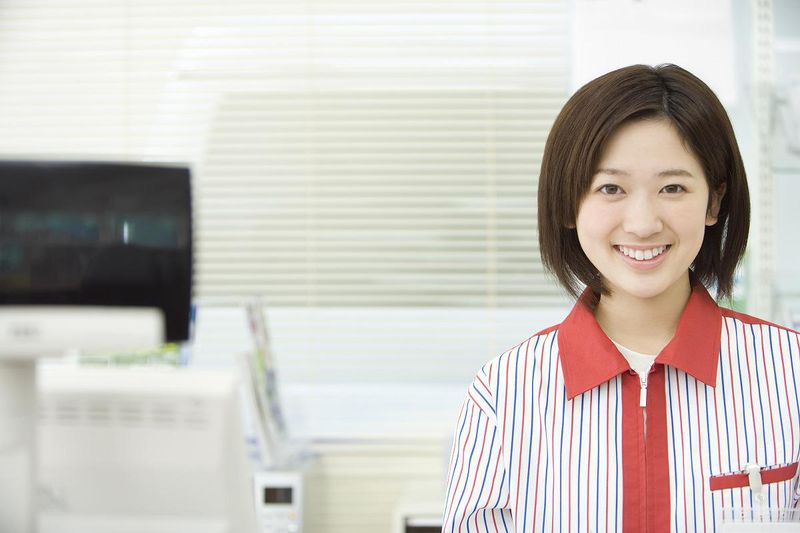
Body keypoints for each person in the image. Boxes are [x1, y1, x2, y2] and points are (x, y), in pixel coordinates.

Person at [441, 64, 800, 532]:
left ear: (714, 202)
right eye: (610, 188)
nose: (642, 223)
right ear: (569, 204)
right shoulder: (504, 393)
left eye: (673, 188)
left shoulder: (790, 371)